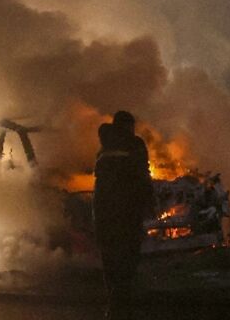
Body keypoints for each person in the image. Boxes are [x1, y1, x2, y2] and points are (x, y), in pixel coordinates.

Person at [93, 110, 154, 320]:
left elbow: (99, 190)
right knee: (127, 260)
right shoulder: (135, 145)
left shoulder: (103, 150)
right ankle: (120, 305)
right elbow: (143, 175)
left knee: (110, 261)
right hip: (127, 215)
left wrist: (97, 220)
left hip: (105, 216)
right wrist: (150, 203)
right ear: (128, 126)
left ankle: (113, 303)